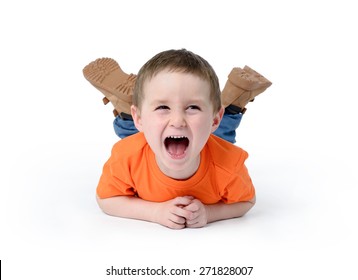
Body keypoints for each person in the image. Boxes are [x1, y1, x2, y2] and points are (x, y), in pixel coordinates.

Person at [83, 49, 271, 229]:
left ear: (215, 119)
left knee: (217, 137)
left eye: (192, 108)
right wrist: (155, 212)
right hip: (154, 134)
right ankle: (234, 99)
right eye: (163, 107)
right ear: (138, 118)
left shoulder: (228, 164)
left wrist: (209, 213)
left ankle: (130, 110)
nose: (178, 121)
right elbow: (105, 199)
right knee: (141, 137)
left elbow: (247, 201)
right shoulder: (127, 156)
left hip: (207, 140)